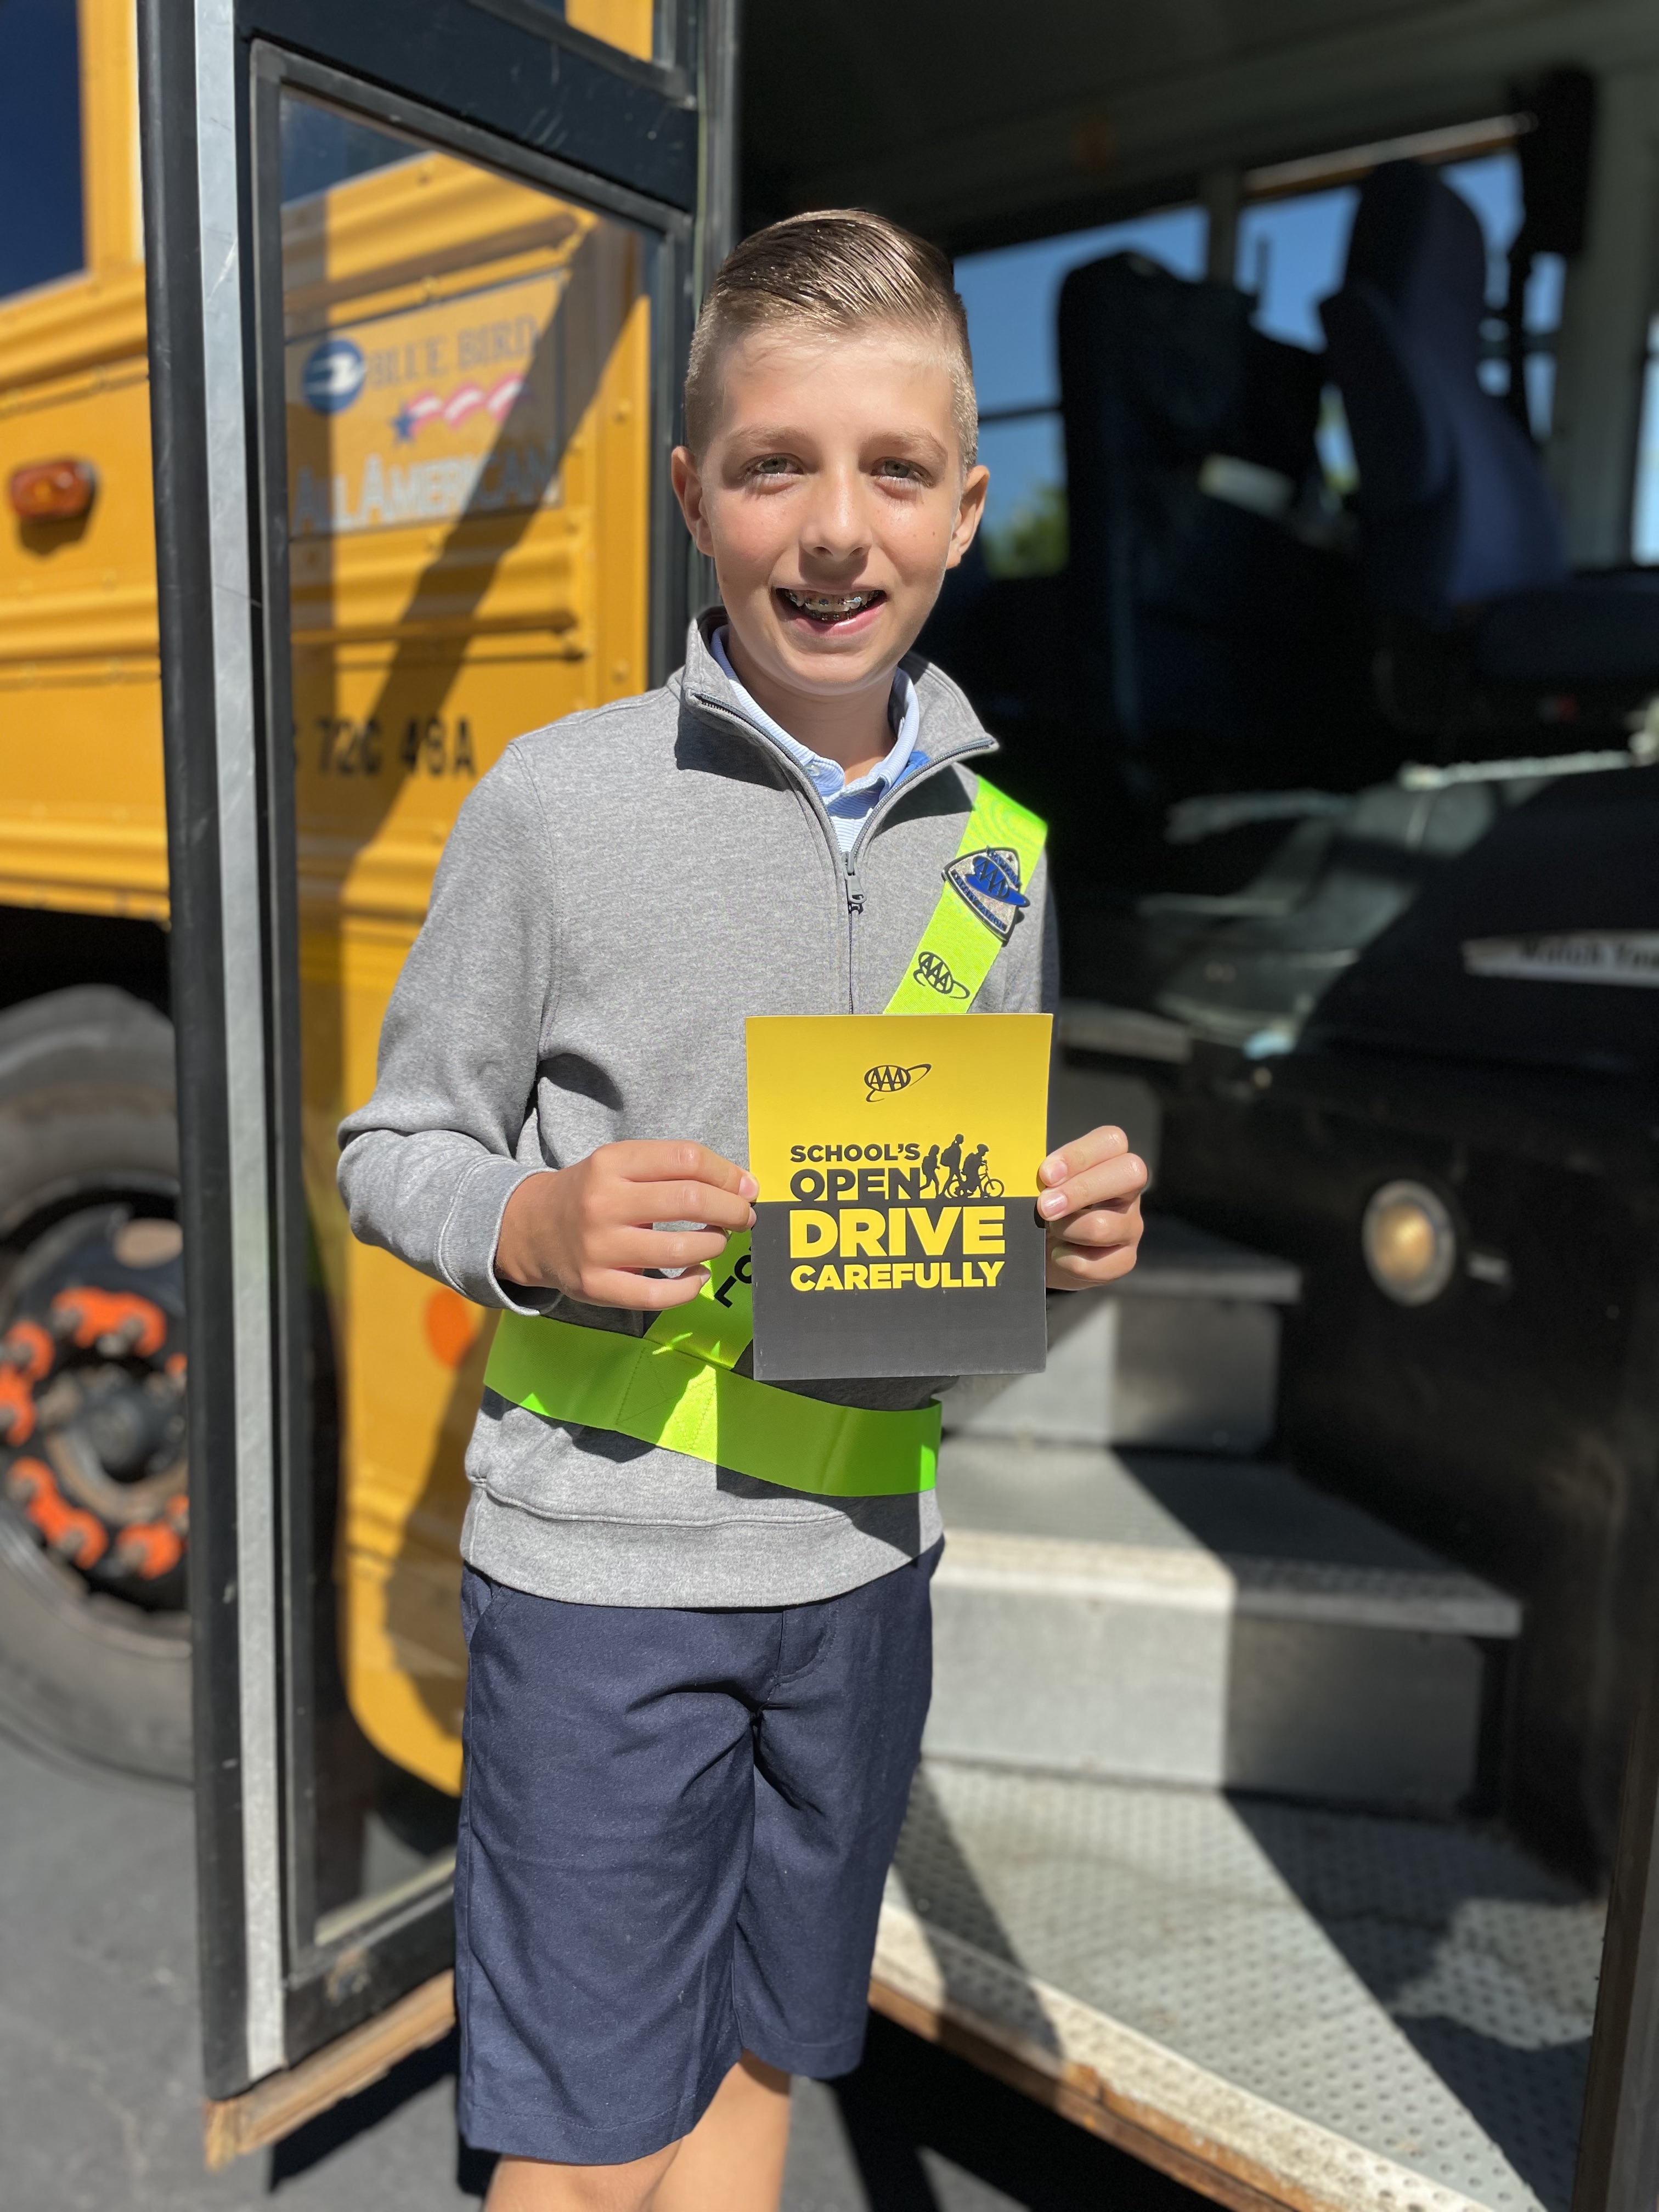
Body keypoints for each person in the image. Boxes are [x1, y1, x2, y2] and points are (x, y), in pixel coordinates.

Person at [338, 209, 1147, 2212]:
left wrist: (1063, 1246)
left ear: (967, 511)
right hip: (607, 1590)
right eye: (777, 465)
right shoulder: (554, 802)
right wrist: (529, 1228)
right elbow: (394, 1144)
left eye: (893, 472)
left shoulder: (1010, 857)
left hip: (867, 1576)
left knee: (765, 2065)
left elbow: (950, 1245)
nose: (835, 531)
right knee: (586, 2142)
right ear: (695, 496)